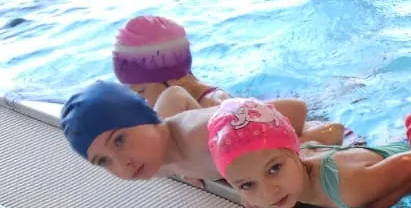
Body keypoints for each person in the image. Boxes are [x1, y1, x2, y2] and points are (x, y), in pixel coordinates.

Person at [112, 15, 344, 143]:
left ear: (174, 80)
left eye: (141, 91)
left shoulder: (212, 103)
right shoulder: (187, 100)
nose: (139, 100)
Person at [206, 98, 411, 208]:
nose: (268, 192)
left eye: (274, 169)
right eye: (247, 184)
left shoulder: (349, 189)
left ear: (294, 152)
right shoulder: (284, 165)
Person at [61, 81, 313, 185]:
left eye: (119, 140)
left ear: (144, 116)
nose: (121, 163)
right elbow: (174, 93)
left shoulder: (205, 137)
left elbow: (296, 110)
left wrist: (263, 180)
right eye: (103, 161)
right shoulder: (152, 159)